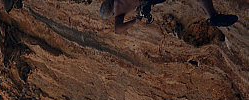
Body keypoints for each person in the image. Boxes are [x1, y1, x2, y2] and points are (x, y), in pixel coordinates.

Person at [100, 0, 237, 32]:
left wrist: (135, 21)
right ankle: (212, 15)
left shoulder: (118, 11)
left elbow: (117, 29)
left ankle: (212, 16)